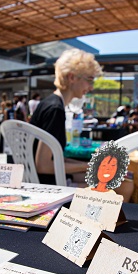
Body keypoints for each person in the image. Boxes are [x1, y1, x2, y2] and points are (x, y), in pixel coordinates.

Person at [30, 48, 100, 183]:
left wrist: (90, 166)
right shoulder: (55, 110)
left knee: (115, 179)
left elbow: (55, 158)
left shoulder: (50, 103)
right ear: (72, 77)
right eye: (89, 80)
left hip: (47, 179)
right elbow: (43, 166)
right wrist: (88, 166)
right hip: (50, 185)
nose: (91, 87)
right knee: (123, 185)